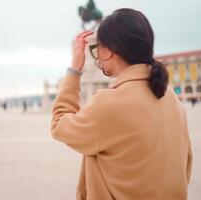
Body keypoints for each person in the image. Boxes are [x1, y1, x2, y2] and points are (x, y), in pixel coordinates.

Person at [50, 8, 192, 200]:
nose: (96, 56)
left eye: (96, 49)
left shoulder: (108, 103)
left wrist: (74, 69)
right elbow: (186, 163)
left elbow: (59, 125)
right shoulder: (170, 97)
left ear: (109, 50)